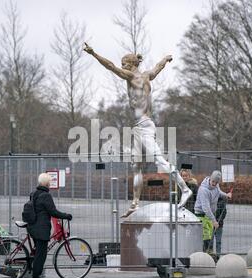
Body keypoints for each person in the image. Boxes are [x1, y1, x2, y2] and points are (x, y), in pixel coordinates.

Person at [84, 43, 192, 218]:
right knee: (137, 166)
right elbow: (157, 68)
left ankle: (185, 189)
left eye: (124, 63)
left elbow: (110, 67)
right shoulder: (147, 75)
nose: (122, 66)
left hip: (145, 126)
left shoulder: (132, 77)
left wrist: (94, 53)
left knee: (160, 161)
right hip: (140, 127)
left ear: (132, 64)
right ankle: (135, 203)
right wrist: (165, 59)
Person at [27, 173, 73, 278]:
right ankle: (35, 277)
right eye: (50, 182)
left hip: (32, 226)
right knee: (41, 254)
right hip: (41, 228)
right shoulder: (46, 196)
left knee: (37, 251)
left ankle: (34, 272)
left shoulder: (34, 193)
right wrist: (66, 215)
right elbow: (53, 212)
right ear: (47, 183)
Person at [194, 171, 232, 256]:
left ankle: (209, 253)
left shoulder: (216, 186)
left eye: (216, 182)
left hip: (210, 215)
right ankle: (204, 255)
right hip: (201, 215)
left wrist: (226, 195)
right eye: (213, 181)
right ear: (210, 179)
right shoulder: (204, 190)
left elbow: (219, 192)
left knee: (210, 235)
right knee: (205, 235)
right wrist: (214, 221)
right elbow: (206, 208)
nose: (214, 184)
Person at [214, 196, 228, 261]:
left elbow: (224, 213)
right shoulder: (210, 199)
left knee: (218, 241)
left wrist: (218, 221)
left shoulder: (222, 202)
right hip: (211, 223)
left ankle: (217, 256)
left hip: (219, 224)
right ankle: (209, 254)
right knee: (208, 241)